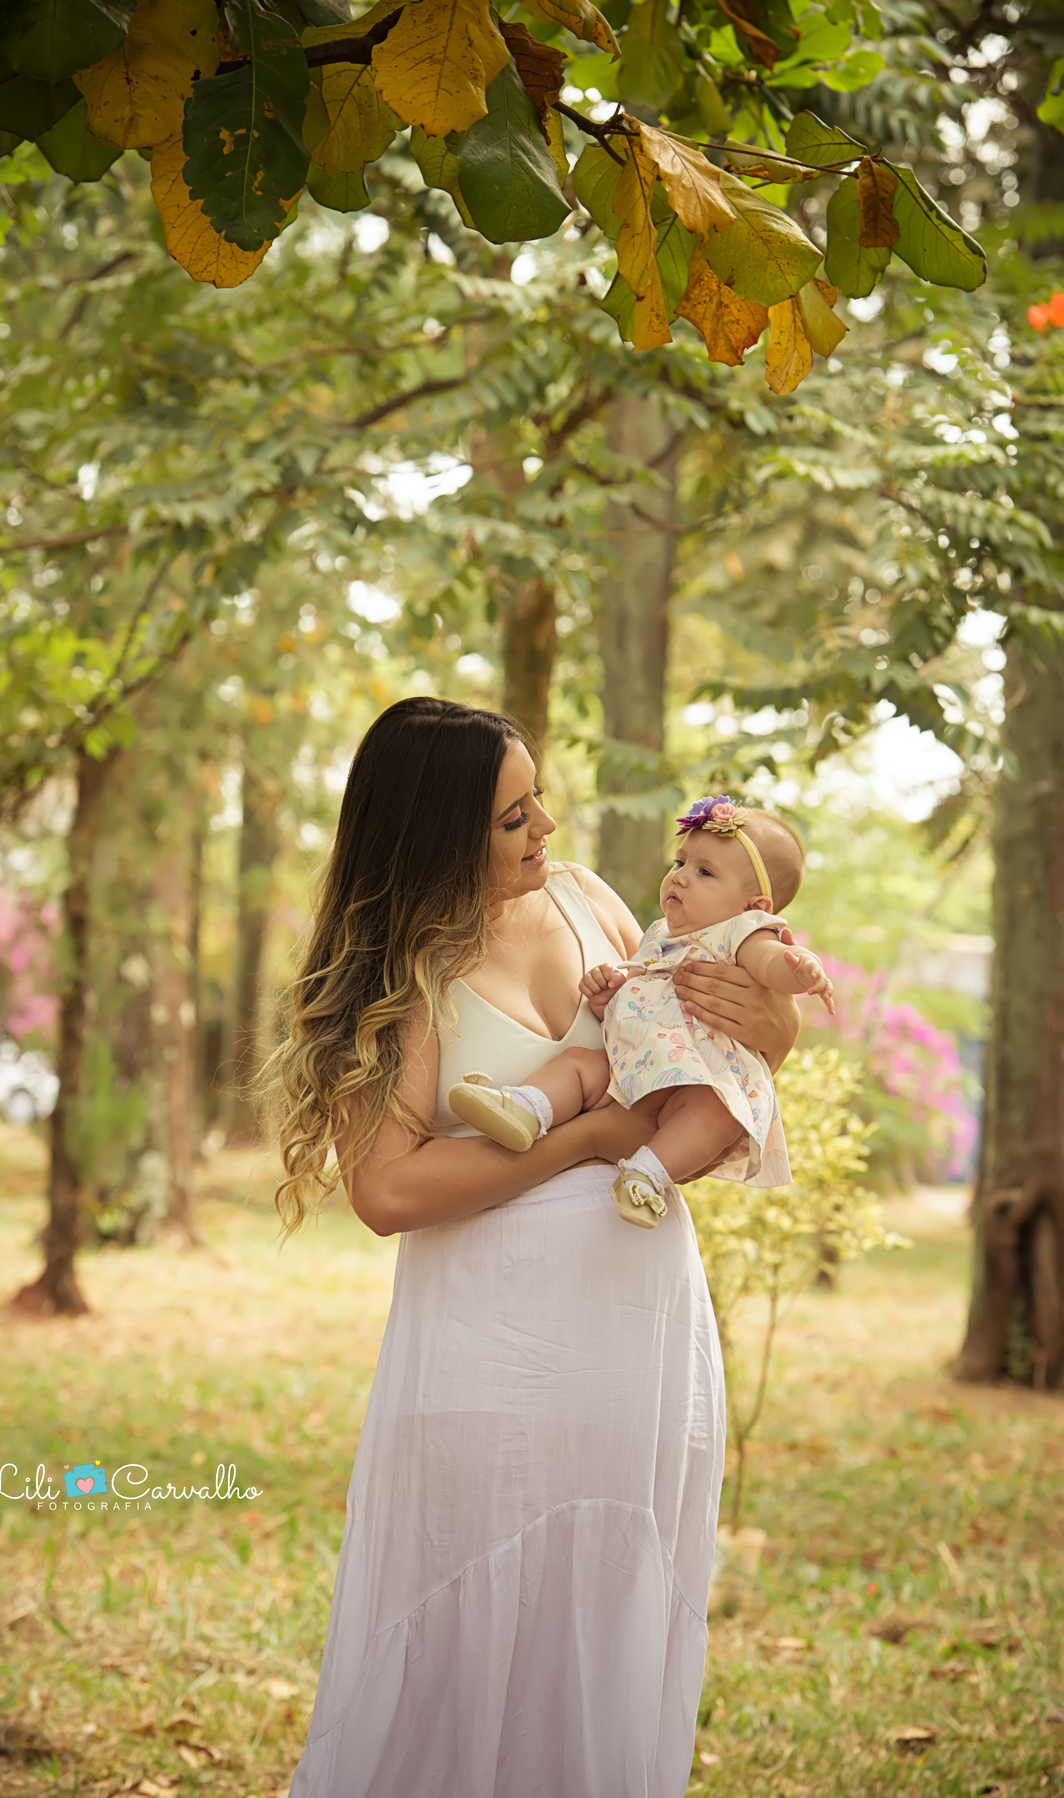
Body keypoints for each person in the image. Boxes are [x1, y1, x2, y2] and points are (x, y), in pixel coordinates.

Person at [268, 699, 800, 1798]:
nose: (545, 826)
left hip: (638, 1351)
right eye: (515, 815)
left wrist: (773, 1021)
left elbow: (725, 1048)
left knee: (603, 1624)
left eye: (538, 796)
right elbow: (388, 1186)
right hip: (491, 1358)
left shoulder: (590, 901)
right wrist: (590, 1140)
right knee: (474, 1640)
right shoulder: (408, 968)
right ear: (439, 830)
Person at [448, 793, 834, 1229]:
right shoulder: (659, 934)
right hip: (631, 1066)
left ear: (754, 906)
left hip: (697, 1078)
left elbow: (770, 963)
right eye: (680, 862)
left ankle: (647, 1175)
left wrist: (800, 969)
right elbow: (642, 991)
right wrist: (608, 998)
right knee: (578, 1064)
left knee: (715, 1115)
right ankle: (524, 1108)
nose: (682, 878)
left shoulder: (743, 933)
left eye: (705, 872)